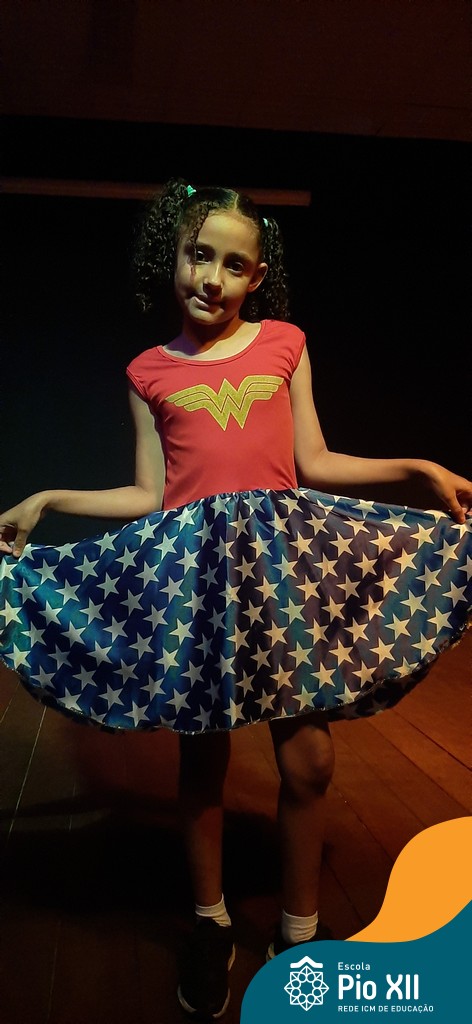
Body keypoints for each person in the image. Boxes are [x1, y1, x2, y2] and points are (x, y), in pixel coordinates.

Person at [0, 177, 471, 1021]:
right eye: (198, 255)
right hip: (198, 582)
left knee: (309, 758)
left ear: (257, 276)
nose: (211, 277)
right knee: (204, 756)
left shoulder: (284, 344)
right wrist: (49, 500)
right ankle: (210, 922)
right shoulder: (148, 371)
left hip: (282, 570)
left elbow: (315, 460)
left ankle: (301, 932)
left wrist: (418, 469)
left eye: (232, 264)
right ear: (173, 258)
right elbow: (151, 494)